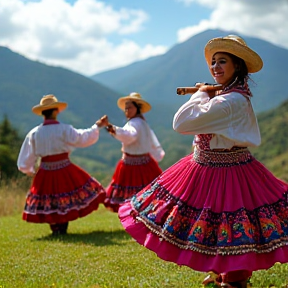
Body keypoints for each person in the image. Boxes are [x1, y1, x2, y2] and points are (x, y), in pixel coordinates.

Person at [118, 35, 288, 288]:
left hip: (227, 171)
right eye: (213, 62)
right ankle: (224, 273)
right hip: (212, 168)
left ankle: (234, 280)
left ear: (237, 66)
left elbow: (182, 122)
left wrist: (199, 94)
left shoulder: (230, 101)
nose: (216, 67)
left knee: (228, 223)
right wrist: (206, 94)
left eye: (223, 62)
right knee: (217, 224)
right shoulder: (231, 97)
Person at [17, 94, 107, 235]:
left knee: (51, 199)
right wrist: (97, 126)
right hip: (64, 168)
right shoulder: (64, 129)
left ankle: (56, 228)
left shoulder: (34, 133)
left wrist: (29, 170)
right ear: (55, 111)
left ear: (43, 113)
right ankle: (61, 227)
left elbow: (27, 155)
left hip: (45, 170)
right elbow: (82, 138)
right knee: (64, 197)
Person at [103, 92, 165, 212]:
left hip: (133, 165)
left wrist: (111, 127)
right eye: (126, 108)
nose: (127, 110)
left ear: (137, 108)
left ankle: (133, 216)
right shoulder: (142, 122)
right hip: (145, 162)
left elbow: (130, 135)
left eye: (130, 107)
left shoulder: (135, 123)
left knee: (132, 194)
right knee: (147, 192)